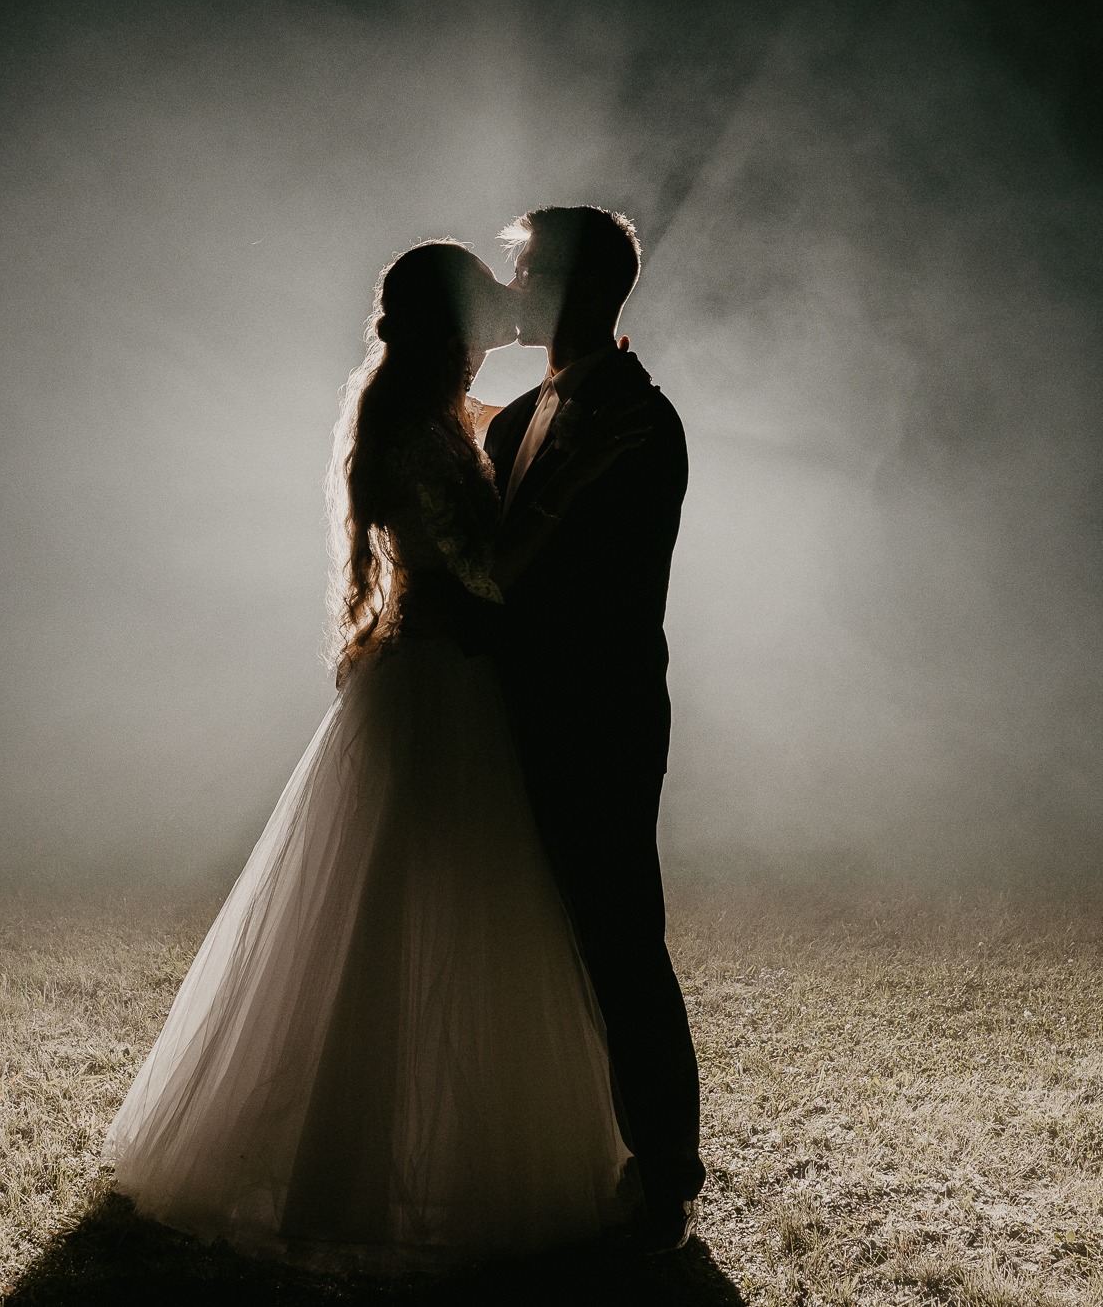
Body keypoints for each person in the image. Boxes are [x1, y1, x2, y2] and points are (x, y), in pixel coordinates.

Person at [102, 241, 638, 1271]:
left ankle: (402, 1158)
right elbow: (482, 575)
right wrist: (575, 485)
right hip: (438, 689)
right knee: (412, 922)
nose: (503, 320)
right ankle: (352, 1176)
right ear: (450, 327)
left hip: (441, 683)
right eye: (488, 306)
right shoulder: (416, 433)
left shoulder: (432, 417)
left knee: (436, 919)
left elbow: (508, 440)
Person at [483, 205, 704, 1251]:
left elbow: (600, 596)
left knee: (619, 938)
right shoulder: (515, 411)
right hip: (504, 713)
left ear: (569, 286)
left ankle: (663, 1177)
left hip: (598, 714)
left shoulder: (637, 419)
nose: (509, 288)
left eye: (523, 271)